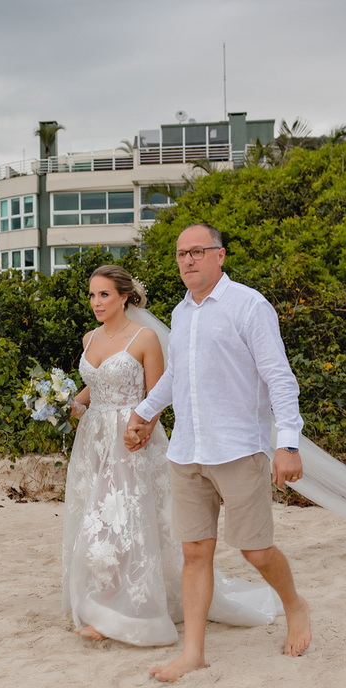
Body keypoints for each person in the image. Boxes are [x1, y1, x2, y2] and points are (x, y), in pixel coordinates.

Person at [125, 223, 312, 681]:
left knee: (256, 550)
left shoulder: (249, 305)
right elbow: (176, 376)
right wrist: (146, 412)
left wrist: (287, 443)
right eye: (181, 253)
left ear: (219, 255)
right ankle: (193, 653)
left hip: (237, 448)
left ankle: (294, 604)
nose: (188, 260)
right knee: (193, 552)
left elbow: (280, 378)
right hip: (187, 451)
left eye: (197, 251)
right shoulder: (182, 313)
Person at [62, 264, 282, 646]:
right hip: (94, 440)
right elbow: (94, 387)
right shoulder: (89, 338)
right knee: (93, 520)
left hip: (132, 438)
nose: (96, 302)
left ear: (125, 297)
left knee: (125, 523)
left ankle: (127, 612)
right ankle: (103, 601)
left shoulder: (145, 338)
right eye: (93, 295)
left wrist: (143, 428)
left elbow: (160, 392)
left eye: (104, 295)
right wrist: (67, 404)